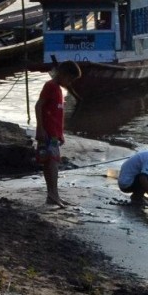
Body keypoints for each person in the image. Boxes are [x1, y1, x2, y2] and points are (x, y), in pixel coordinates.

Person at [34, 61, 82, 208]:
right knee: (52, 163)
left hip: (54, 133)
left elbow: (57, 114)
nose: (69, 83)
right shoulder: (50, 86)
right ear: (63, 74)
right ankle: (53, 195)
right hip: (47, 132)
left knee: (51, 162)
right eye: (69, 79)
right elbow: (38, 105)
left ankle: (53, 195)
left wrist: (60, 134)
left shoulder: (59, 90)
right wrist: (40, 128)